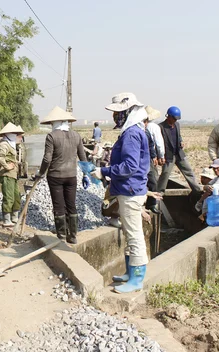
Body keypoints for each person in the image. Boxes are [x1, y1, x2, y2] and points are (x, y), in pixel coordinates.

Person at [91, 92, 150, 294]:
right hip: (129, 189)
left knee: (134, 236)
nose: (115, 117)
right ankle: (129, 272)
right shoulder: (132, 131)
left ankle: (137, 279)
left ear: (128, 111)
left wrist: (104, 171)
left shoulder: (132, 133)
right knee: (129, 233)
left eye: (118, 113)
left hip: (130, 190)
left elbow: (130, 166)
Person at [36, 106, 87, 244]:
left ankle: (62, 235)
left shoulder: (52, 136)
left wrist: (40, 173)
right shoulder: (76, 136)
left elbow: (47, 159)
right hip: (71, 176)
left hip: (55, 176)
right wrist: (86, 174)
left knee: (59, 205)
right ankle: (73, 235)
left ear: (54, 123)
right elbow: (83, 158)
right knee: (71, 204)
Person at [157, 106, 201, 194]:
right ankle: (159, 192)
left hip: (179, 153)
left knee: (189, 171)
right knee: (165, 174)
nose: (175, 120)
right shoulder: (160, 127)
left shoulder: (177, 125)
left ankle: (197, 190)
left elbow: (179, 136)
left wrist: (181, 141)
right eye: (174, 118)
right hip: (168, 155)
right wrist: (160, 156)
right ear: (168, 116)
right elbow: (158, 142)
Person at [0, 122, 24, 227]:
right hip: (7, 174)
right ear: (8, 134)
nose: (16, 135)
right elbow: (0, 157)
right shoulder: (4, 144)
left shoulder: (11, 144)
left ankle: (14, 217)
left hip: (13, 174)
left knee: (16, 196)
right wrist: (7, 166)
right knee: (9, 197)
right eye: (14, 133)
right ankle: (7, 219)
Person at [144, 106, 165, 213]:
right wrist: (159, 156)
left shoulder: (143, 128)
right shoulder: (154, 127)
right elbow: (157, 143)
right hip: (148, 158)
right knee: (152, 180)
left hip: (143, 158)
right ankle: (151, 204)